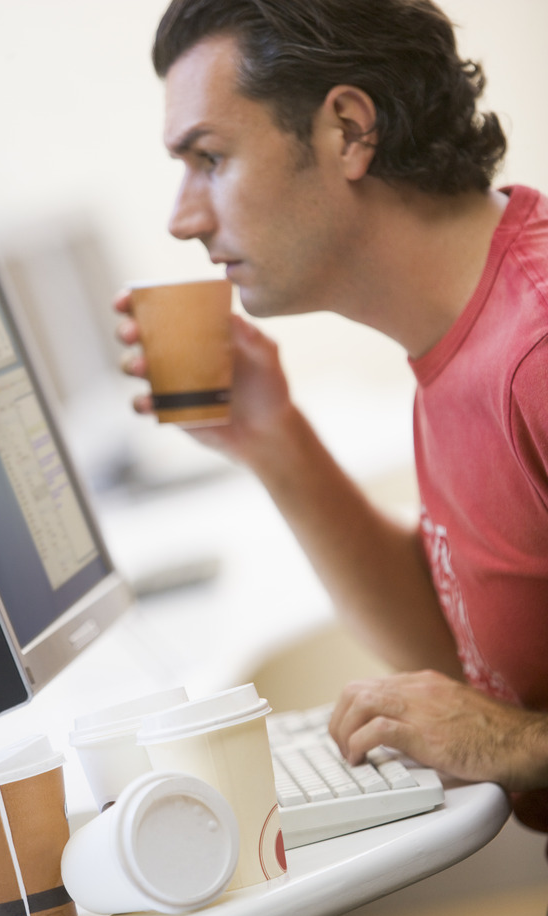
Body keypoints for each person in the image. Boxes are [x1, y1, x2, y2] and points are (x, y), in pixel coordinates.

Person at [115, 0, 548, 861]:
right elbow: (469, 655)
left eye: (211, 158)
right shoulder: (461, 340)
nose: (183, 216)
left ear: (349, 129)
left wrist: (512, 744)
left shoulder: (535, 351)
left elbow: (495, 717)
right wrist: (272, 440)